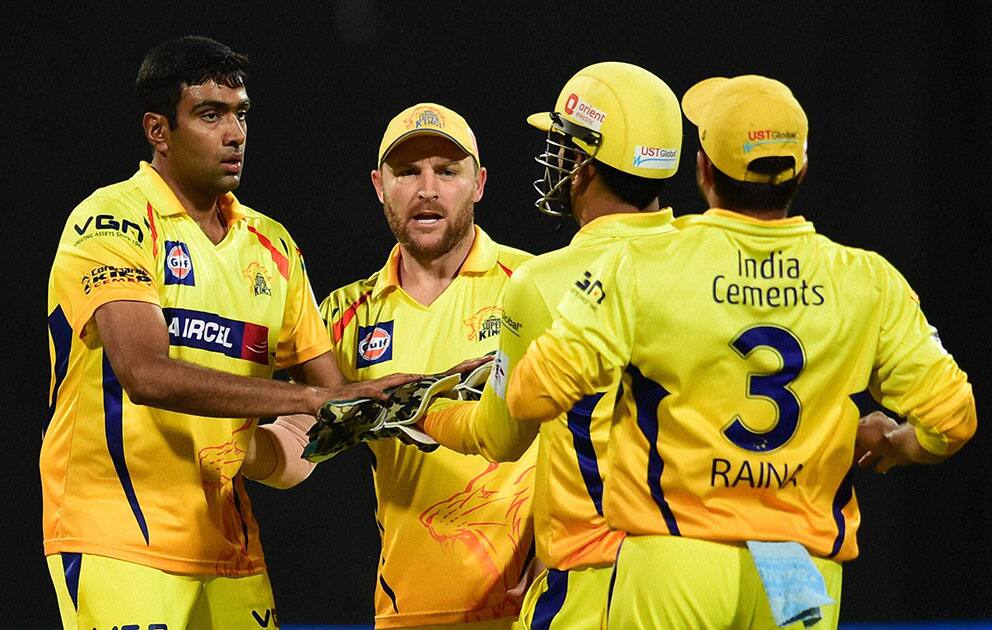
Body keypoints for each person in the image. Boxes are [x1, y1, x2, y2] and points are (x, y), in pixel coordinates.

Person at [506, 75, 977, 628]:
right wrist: (897, 442)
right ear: (800, 170)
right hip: (802, 572)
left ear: (702, 170)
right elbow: (953, 421)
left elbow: (531, 394)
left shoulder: (643, 267)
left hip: (678, 559)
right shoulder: (867, 281)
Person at [42, 35, 411, 630]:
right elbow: (147, 375)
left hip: (231, 549)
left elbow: (329, 403)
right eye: (209, 115)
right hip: (119, 538)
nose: (234, 132)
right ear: (158, 130)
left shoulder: (272, 246)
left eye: (240, 113)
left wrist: (418, 390)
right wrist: (313, 399)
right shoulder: (110, 220)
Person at [246, 103, 538, 629]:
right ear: (380, 186)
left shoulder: (535, 286)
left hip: (538, 609)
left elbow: (600, 428)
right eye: (408, 172)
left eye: (447, 172)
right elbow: (300, 440)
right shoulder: (343, 315)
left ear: (479, 183)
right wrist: (230, 446)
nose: (427, 189)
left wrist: (566, 540)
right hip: (409, 613)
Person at [419, 62, 682, 629]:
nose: (555, 161)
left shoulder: (541, 282)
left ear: (584, 164)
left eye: (561, 145)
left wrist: (424, 412)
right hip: (698, 568)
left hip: (594, 579)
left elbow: (498, 435)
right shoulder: (709, 263)